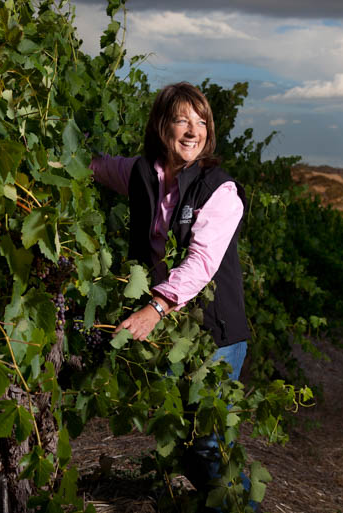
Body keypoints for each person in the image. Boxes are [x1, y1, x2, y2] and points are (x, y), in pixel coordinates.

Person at [90, 82, 257, 511]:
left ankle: (238, 507)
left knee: (207, 444)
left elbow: (201, 263)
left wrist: (156, 307)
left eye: (201, 122)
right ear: (162, 125)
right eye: (182, 119)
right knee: (182, 440)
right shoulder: (142, 173)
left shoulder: (220, 192)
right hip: (174, 335)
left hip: (215, 334)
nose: (192, 131)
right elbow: (92, 166)